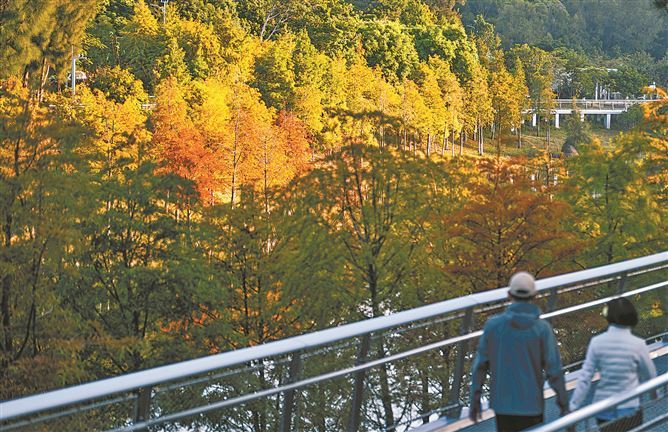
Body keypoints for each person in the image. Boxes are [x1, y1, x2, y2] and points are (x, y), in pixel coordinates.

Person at [469, 272, 569, 432]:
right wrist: (564, 405)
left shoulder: (493, 326)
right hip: (532, 405)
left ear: (509, 294)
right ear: (534, 295)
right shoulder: (542, 329)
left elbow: (480, 366)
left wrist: (475, 400)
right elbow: (554, 370)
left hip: (503, 405)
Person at [569, 297, 657, 432]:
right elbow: (649, 374)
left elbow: (585, 377)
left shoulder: (597, 342)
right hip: (630, 407)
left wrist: (573, 407)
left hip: (604, 407)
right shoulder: (638, 344)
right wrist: (654, 394)